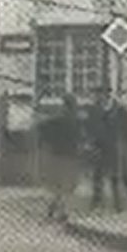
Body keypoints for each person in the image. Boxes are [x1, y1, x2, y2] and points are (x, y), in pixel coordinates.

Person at [40, 93, 83, 222]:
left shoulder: (69, 121)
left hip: (65, 157)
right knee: (63, 187)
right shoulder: (61, 121)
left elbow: (43, 131)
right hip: (62, 158)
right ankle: (59, 212)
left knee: (62, 188)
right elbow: (43, 131)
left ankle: (53, 211)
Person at [88, 87, 127, 212]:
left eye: (100, 94)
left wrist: (121, 138)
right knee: (97, 177)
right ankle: (97, 204)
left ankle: (119, 206)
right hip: (98, 146)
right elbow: (90, 125)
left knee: (115, 177)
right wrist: (91, 141)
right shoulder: (94, 109)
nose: (98, 97)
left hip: (114, 146)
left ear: (107, 95)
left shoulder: (119, 110)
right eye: (97, 95)